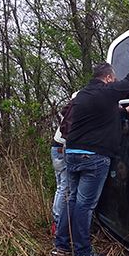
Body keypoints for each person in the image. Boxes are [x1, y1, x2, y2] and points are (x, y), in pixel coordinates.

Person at [52, 53, 129, 256]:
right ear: (109, 79)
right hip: (93, 158)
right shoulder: (107, 90)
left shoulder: (83, 94)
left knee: (72, 200)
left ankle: (62, 245)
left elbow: (101, 115)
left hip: (73, 154)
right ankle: (83, 252)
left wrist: (123, 111)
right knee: (84, 205)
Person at [50, 91, 79, 236]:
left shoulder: (76, 98)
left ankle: (57, 222)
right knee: (65, 188)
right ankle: (58, 224)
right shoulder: (83, 99)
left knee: (61, 187)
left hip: (58, 147)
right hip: (63, 148)